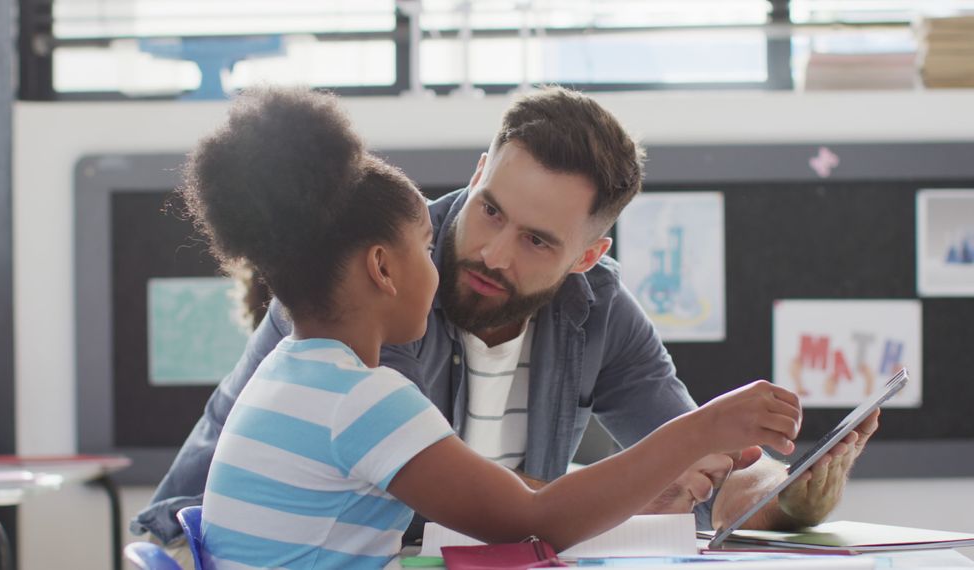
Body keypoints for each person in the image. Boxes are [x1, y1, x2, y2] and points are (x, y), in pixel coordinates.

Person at [132, 85, 878, 549]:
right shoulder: (363, 284)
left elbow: (701, 475)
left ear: (587, 256)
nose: (489, 251)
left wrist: (786, 487)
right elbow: (510, 516)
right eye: (488, 209)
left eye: (537, 240)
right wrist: (623, 485)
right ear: (476, 174)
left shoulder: (600, 313)